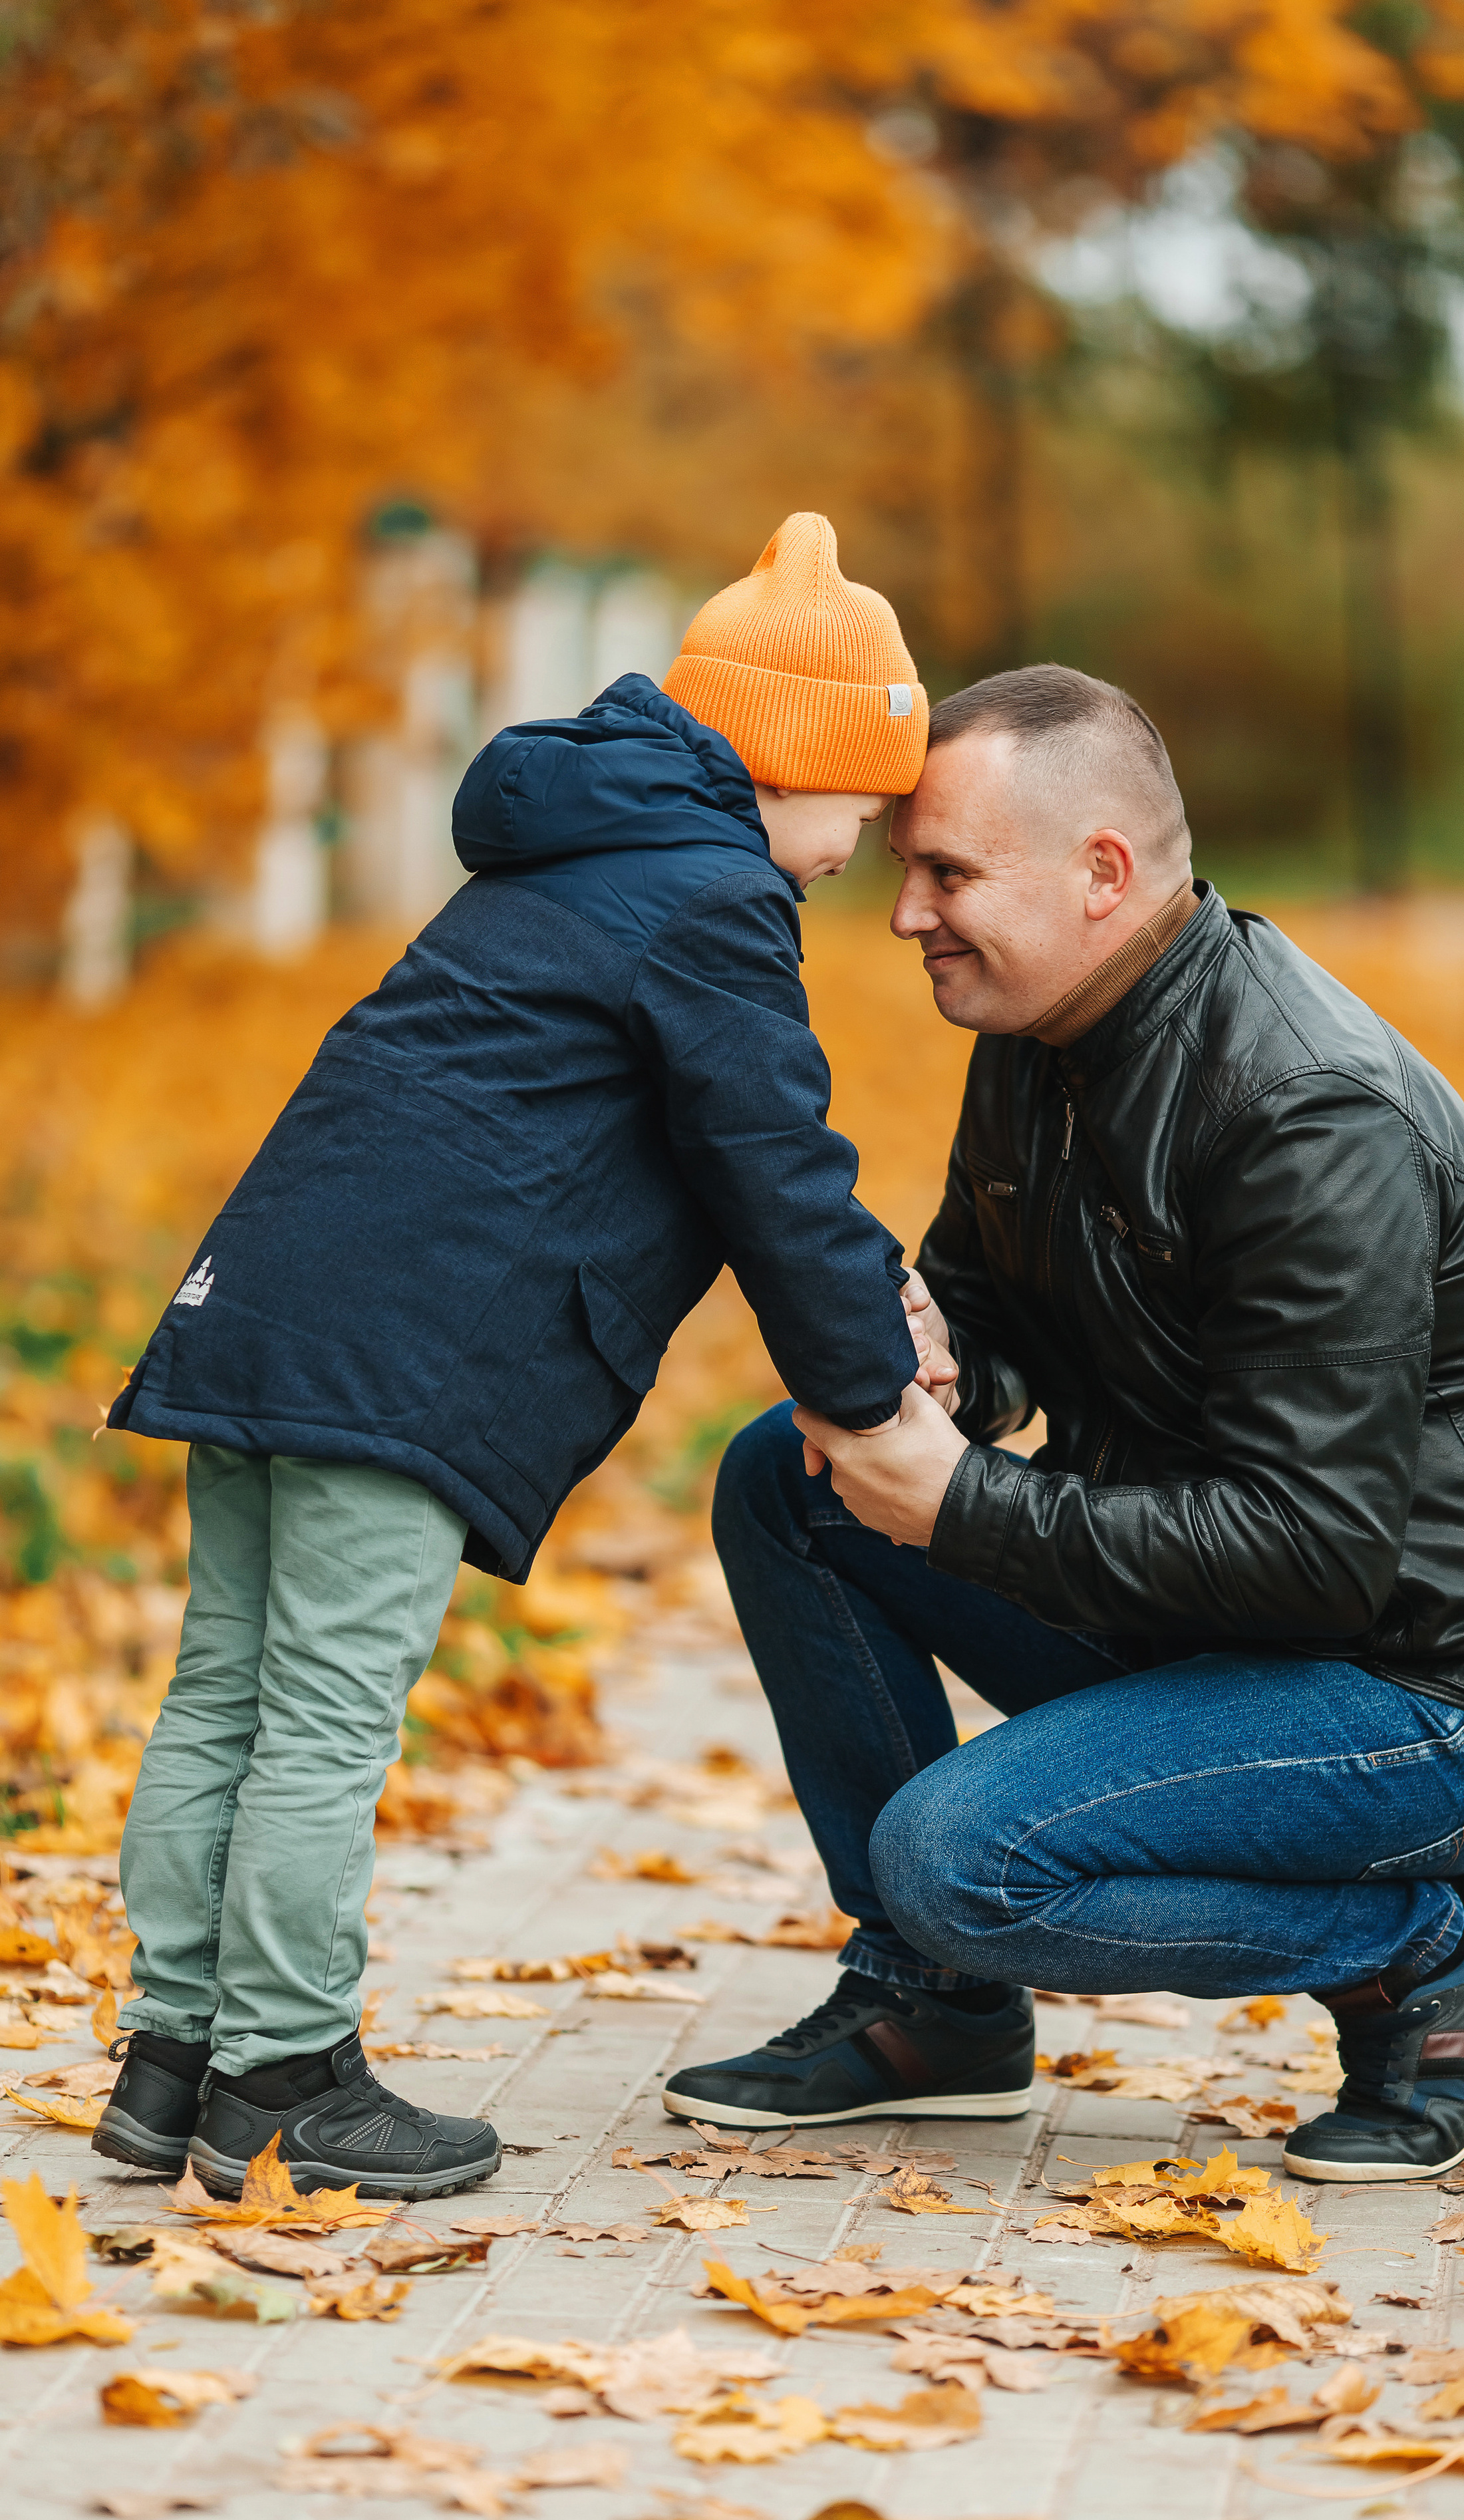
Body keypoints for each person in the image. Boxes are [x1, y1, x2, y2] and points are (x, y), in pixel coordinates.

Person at [94, 513, 947, 2200]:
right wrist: (873, 1384)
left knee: (226, 1690)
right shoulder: (710, 900)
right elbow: (771, 1167)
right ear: (788, 755)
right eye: (865, 795)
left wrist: (870, 1290)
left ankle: (168, 2056)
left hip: (266, 1301)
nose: (869, 838)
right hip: (399, 1358)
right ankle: (282, 2079)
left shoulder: (569, 854)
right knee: (326, 1708)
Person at [667, 662, 1464, 2184]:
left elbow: (1314, 1559)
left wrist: (959, 1505)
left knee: (953, 1859)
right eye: (905, 868)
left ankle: (1427, 1957)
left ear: (1099, 875)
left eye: (947, 873)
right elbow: (999, 1318)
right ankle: (935, 2013)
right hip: (1213, 1619)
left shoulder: (1308, 1114)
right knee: (793, 1476)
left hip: (1427, 1689)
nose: (905, 913)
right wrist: (937, 1366)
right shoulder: (1041, 1042)